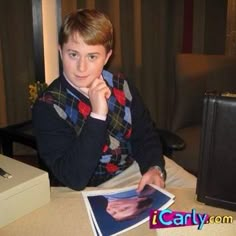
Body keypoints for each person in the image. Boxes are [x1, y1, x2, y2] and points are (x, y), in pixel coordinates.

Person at [32, 8, 196, 191]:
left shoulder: (121, 86)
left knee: (205, 204)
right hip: (92, 187)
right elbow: (74, 177)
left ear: (107, 57)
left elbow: (145, 135)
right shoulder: (47, 106)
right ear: (61, 51)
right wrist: (97, 115)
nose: (81, 67)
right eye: (73, 54)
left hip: (138, 169)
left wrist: (154, 167)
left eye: (92, 56)